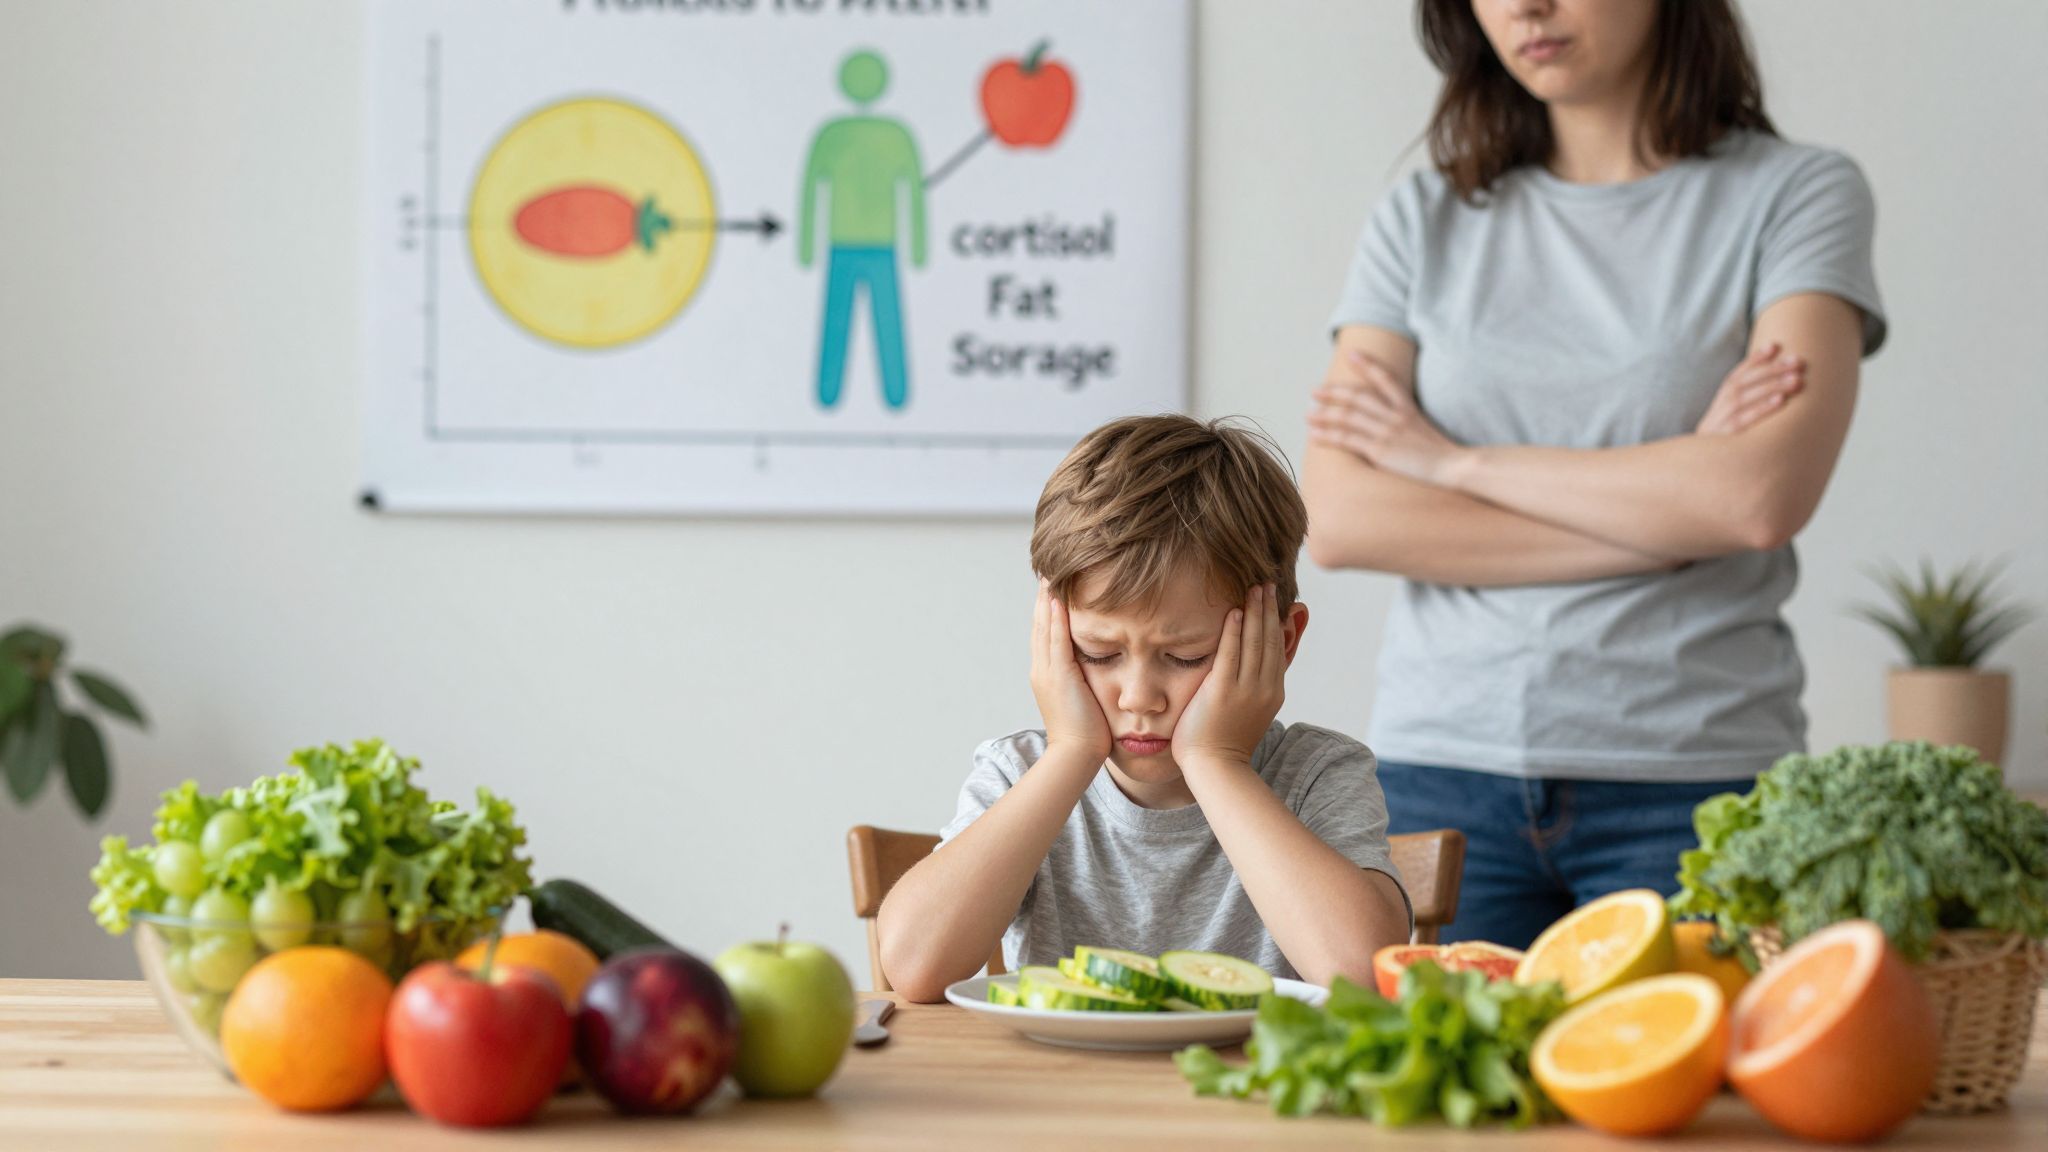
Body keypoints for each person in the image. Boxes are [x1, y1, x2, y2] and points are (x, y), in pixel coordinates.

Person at [1303, 0, 1885, 948]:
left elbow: (1757, 499)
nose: (1527, 6)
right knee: (1430, 1095)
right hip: (1440, 773)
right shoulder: (1421, 217)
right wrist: (1668, 501)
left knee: (1682, 1094)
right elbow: (1343, 518)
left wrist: (1451, 461)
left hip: (1695, 783)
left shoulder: (1798, 195)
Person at [878, 415, 1412, 1002]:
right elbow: (914, 967)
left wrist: (1217, 760)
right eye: (1098, 653)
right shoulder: (1020, 773)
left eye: (1186, 657)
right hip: (1066, 1092)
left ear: (1281, 642)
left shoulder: (1317, 774)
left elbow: (1366, 977)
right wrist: (1072, 753)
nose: (1138, 697)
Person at [798, 49, 927, 411]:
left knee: (885, 322)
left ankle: (894, 395)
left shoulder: (860, 134)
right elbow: (811, 189)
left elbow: (913, 193)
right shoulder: (847, 134)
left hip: (877, 246)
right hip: (849, 245)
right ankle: (830, 394)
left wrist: (918, 245)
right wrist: (807, 244)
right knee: (839, 322)